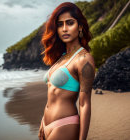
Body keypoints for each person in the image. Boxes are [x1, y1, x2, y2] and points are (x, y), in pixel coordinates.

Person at [38, 2, 95, 140]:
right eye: (60, 24)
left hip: (64, 125)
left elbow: (84, 103)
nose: (64, 29)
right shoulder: (62, 57)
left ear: (80, 26)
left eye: (70, 23)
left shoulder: (84, 59)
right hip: (46, 124)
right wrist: (42, 121)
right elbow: (52, 96)